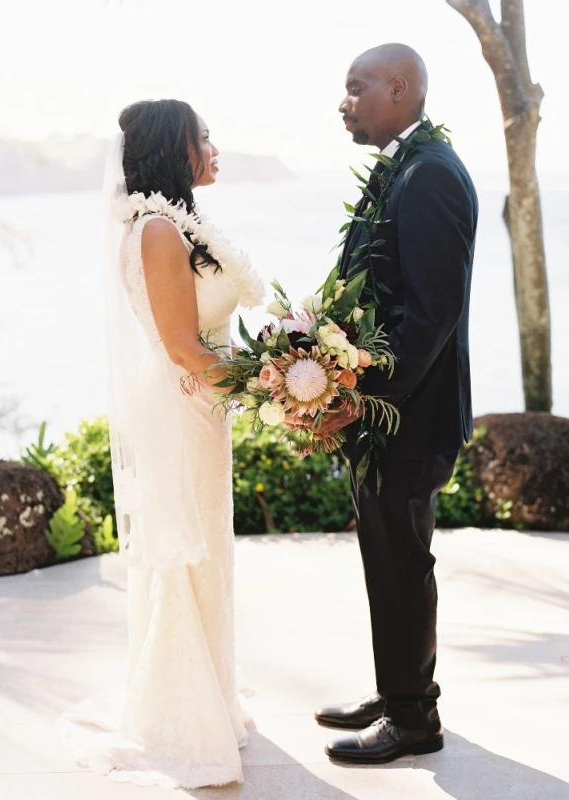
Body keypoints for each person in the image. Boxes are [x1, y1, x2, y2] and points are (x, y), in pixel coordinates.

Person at [58, 99, 264, 789]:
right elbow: (180, 345)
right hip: (182, 408)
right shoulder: (155, 232)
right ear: (173, 150)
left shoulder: (177, 225)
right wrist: (262, 391)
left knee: (208, 545)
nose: (214, 144)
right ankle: (180, 719)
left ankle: (211, 690)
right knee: (186, 549)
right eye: (202, 136)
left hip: (203, 408)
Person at [314, 44, 478, 764]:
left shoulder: (431, 175)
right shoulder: (406, 167)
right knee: (385, 558)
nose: (344, 102)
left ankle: (414, 721)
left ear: (398, 88)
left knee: (401, 562)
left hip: (405, 418)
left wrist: (362, 399)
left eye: (356, 88)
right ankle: (398, 687)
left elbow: (430, 315)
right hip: (385, 414)